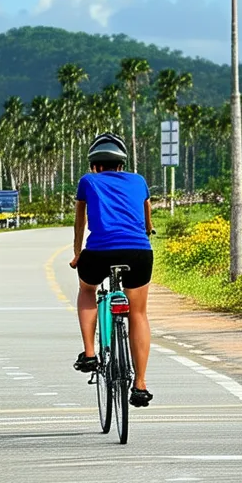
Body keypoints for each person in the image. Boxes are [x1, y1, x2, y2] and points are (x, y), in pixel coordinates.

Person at [68, 132, 155, 408]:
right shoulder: (139, 181)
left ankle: (91, 353)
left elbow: (80, 221)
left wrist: (77, 253)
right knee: (138, 313)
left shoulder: (87, 181)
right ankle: (140, 384)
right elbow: (147, 220)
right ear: (121, 165)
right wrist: (147, 232)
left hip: (99, 253)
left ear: (95, 165)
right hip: (138, 252)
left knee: (87, 290)